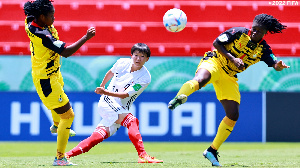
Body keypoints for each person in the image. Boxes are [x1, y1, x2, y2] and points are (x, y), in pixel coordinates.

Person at [168, 14, 290, 167]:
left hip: (229, 76)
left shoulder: (264, 49)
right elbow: (216, 43)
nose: (254, 32)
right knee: (201, 79)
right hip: (215, 61)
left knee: (233, 114)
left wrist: (278, 65)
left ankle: (211, 151)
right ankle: (179, 97)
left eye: (259, 31)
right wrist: (233, 58)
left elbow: (274, 64)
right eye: (253, 28)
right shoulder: (238, 32)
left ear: (265, 33)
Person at [23, 0, 95, 166]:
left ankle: (56, 126)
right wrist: (86, 37)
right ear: (42, 17)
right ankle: (60, 158)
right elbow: (67, 52)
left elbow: (27, 14)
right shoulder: (42, 34)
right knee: (68, 115)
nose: (54, 18)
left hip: (53, 74)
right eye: (51, 15)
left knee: (62, 108)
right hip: (46, 80)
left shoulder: (31, 21)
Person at [65, 43, 163, 164]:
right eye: (136, 55)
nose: (138, 58)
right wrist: (102, 86)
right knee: (132, 121)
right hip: (107, 102)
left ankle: (66, 155)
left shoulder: (145, 77)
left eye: (142, 56)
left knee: (97, 137)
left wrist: (104, 91)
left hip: (119, 106)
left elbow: (125, 95)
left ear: (147, 59)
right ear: (131, 55)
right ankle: (142, 155)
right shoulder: (122, 62)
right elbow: (110, 72)